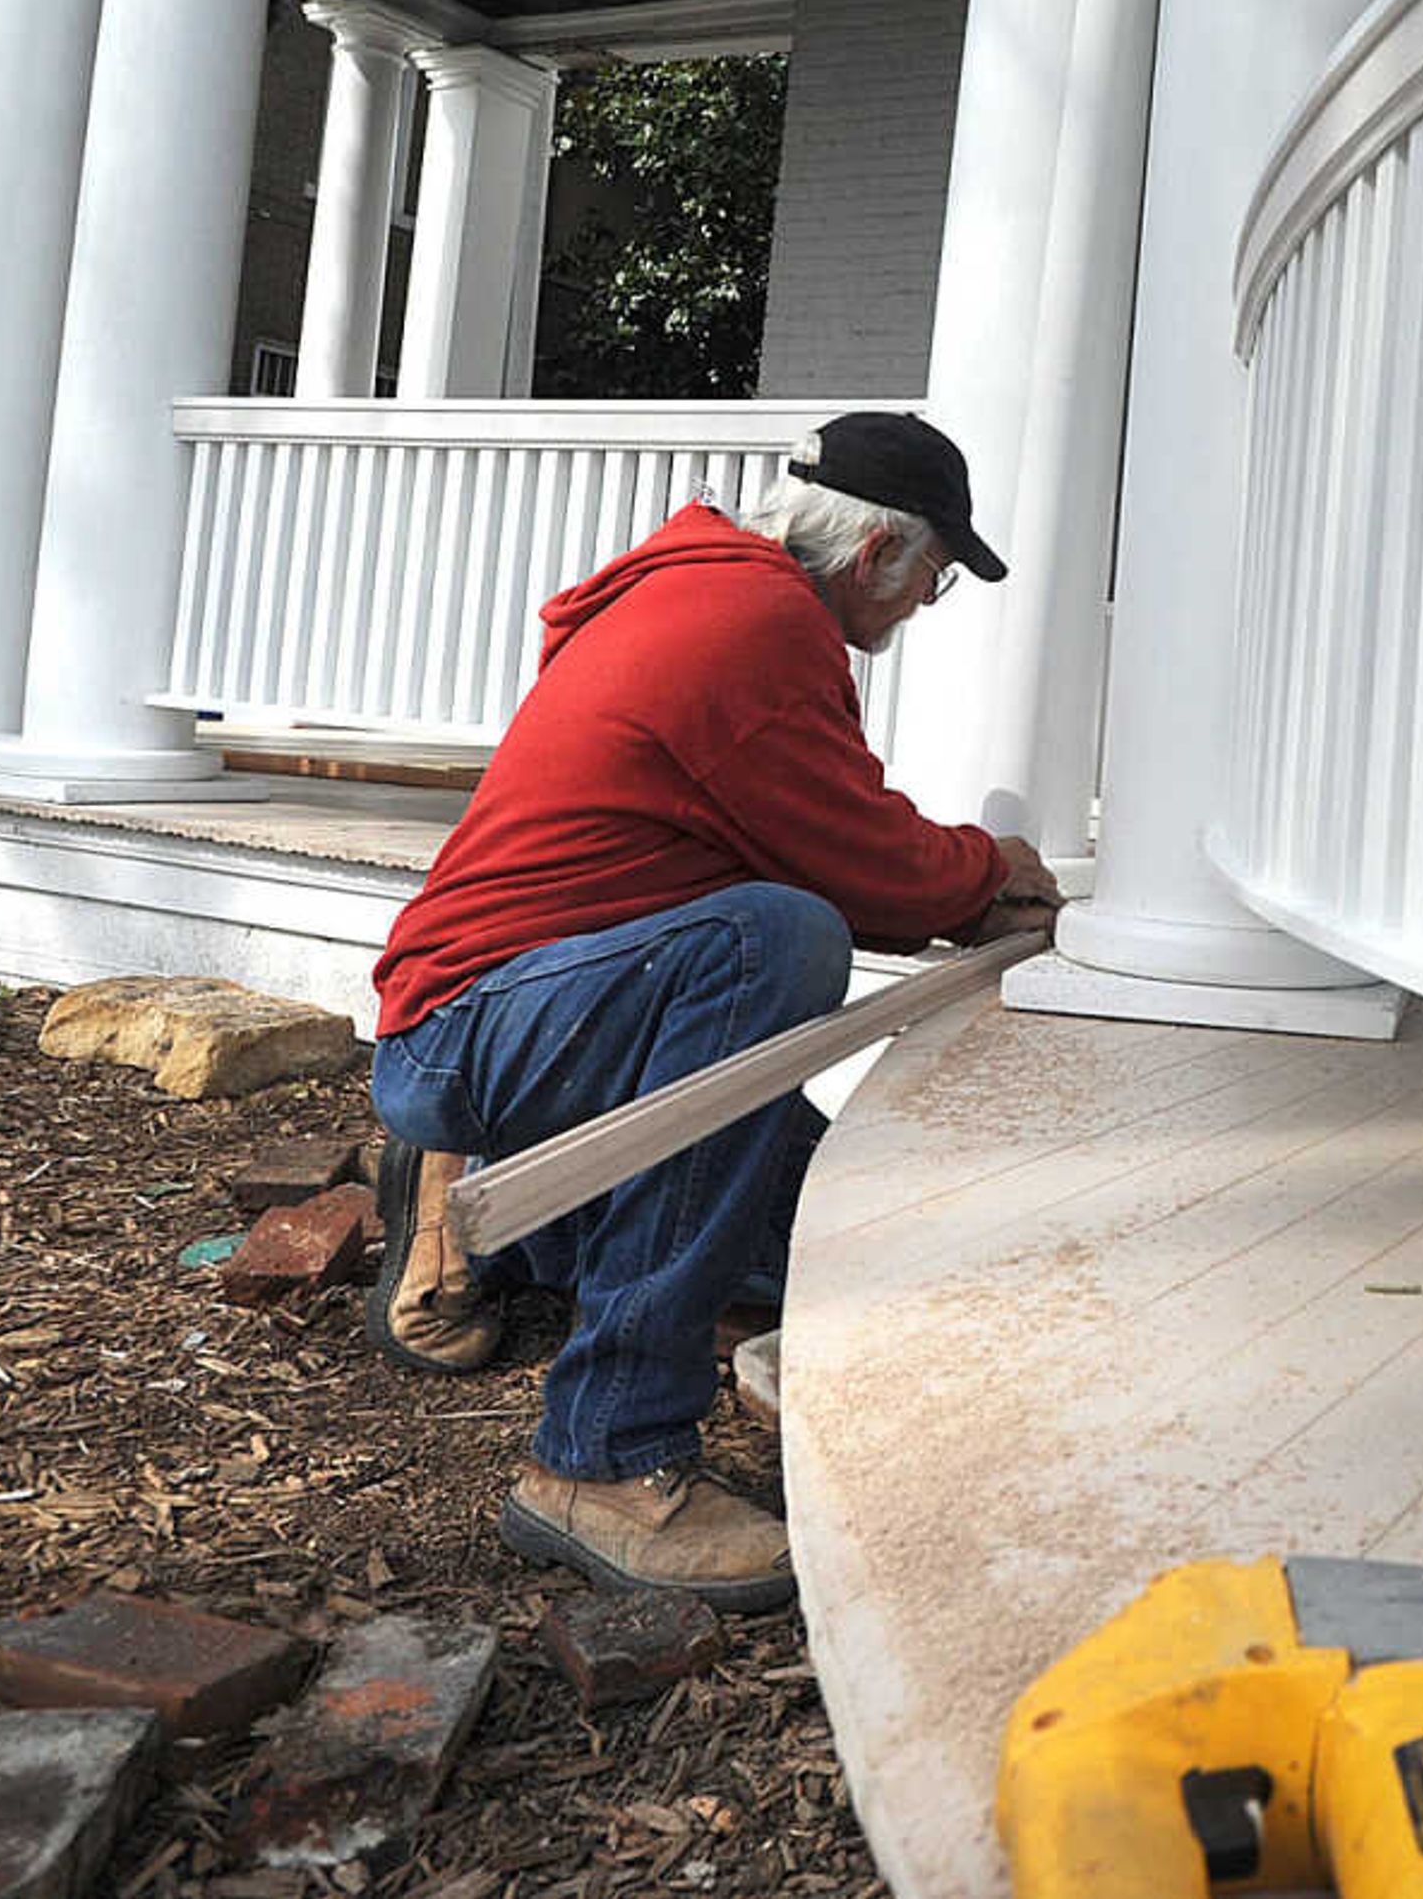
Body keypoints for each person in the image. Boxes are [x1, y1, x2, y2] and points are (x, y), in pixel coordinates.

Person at [362, 409, 1058, 1611]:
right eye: (931, 584)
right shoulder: (756, 625)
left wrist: (958, 882)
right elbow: (863, 863)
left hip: (518, 1007)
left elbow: (819, 834)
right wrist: (991, 873)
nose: (915, 614)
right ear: (879, 553)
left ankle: (507, 1221)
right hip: (480, 1022)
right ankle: (606, 1453)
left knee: (839, 1262)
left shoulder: (701, 595)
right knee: (778, 938)